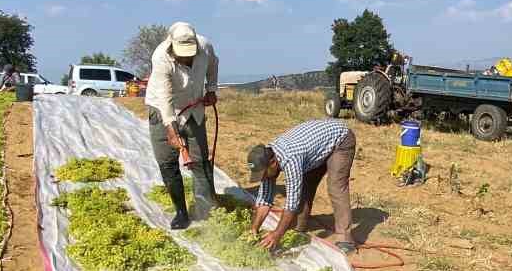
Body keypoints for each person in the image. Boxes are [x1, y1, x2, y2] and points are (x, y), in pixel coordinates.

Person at [145, 21, 219, 230]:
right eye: (182, 53)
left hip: (194, 108)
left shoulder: (204, 46)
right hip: (162, 110)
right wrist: (171, 128)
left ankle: (204, 211)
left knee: (200, 161)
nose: (186, 57)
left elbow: (213, 65)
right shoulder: (161, 57)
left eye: (189, 53)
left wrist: (212, 89)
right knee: (167, 162)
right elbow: (165, 98)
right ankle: (181, 212)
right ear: (171, 45)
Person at [246, 118, 357, 253]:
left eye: (263, 174)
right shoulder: (266, 158)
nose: (263, 178)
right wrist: (254, 229)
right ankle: (299, 227)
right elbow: (264, 201)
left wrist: (277, 235)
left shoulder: (291, 158)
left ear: (273, 163)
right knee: (304, 185)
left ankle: (345, 239)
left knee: (336, 186)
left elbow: (291, 204)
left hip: (340, 140)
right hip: (314, 149)